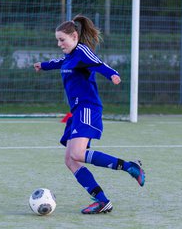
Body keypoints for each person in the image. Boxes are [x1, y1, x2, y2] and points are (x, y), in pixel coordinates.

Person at [33, 14, 145, 214]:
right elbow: (61, 62)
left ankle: (130, 167)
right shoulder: (71, 56)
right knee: (70, 160)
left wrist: (112, 75)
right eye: (57, 40)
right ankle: (102, 201)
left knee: (76, 153)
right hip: (77, 111)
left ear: (74, 36)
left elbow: (98, 63)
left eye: (62, 39)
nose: (59, 43)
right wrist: (44, 65)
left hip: (87, 107)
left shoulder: (83, 51)